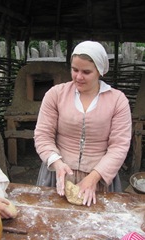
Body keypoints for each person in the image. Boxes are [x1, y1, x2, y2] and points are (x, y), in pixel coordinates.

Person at [34, 40, 132, 207]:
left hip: (99, 178)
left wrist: (93, 178)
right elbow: (43, 135)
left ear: (100, 71)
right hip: (58, 175)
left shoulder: (117, 100)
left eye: (86, 72)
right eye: (75, 70)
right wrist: (56, 163)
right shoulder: (56, 95)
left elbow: (119, 146)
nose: (78, 77)